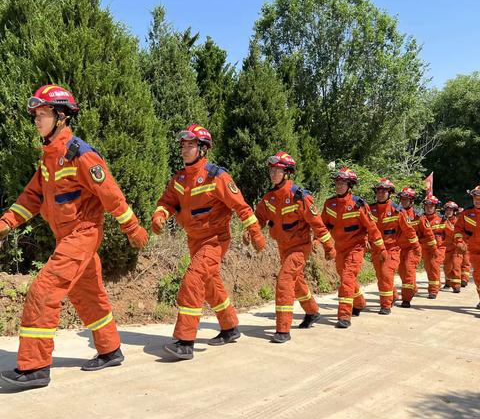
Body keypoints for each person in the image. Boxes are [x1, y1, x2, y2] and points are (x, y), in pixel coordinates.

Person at [0, 85, 148, 389]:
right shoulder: (48, 158)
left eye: (43, 114)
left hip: (82, 235)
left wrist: (132, 228)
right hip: (66, 237)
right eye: (36, 115)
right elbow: (30, 197)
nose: (37, 120)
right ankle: (110, 350)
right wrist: (5, 223)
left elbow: (111, 195)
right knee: (87, 296)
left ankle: (35, 367)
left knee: (43, 290)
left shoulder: (80, 154)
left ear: (62, 116)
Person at [151, 124, 265, 359]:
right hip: (194, 240)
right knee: (211, 285)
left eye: (190, 145)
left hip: (215, 241)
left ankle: (185, 341)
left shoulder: (217, 176)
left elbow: (240, 206)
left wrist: (254, 230)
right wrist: (160, 214)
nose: (184, 150)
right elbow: (168, 201)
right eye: (183, 145)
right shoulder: (180, 178)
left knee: (193, 280)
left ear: (203, 149)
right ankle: (230, 327)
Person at [254, 152, 336, 343]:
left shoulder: (299, 197)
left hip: (300, 247)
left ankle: (283, 329)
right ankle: (312, 311)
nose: (273, 174)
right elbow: (259, 218)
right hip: (283, 246)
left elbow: (318, 224)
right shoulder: (269, 198)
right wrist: (252, 230)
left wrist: (328, 246)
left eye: (278, 170)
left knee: (284, 281)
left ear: (287, 173)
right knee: (296, 282)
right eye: (272, 170)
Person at [321, 168, 386, 328]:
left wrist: (381, 248)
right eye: (337, 183)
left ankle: (344, 316)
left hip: (356, 248)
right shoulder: (330, 204)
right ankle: (359, 303)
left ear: (350, 185)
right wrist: (319, 243)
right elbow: (323, 226)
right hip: (339, 249)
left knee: (347, 279)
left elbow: (372, 228)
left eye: (343, 183)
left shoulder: (358, 205)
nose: (339, 186)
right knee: (346, 279)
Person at [369, 179, 420, 315]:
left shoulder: (397, 211)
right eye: (378, 191)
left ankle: (385, 305)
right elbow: (364, 227)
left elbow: (409, 230)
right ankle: (392, 296)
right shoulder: (370, 209)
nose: (380, 194)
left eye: (384, 191)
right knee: (381, 277)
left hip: (392, 250)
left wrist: (416, 247)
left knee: (386, 274)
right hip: (376, 250)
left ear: (389, 193)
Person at [397, 188, 436, 307]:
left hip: (413, 248)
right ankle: (412, 289)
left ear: (412, 201)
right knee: (402, 272)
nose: (403, 202)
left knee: (409, 270)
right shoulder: (396, 212)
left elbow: (428, 233)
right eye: (402, 199)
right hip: (398, 248)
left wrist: (433, 249)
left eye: (406, 199)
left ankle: (406, 299)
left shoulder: (418, 215)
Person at [454, 186, 480, 309]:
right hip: (475, 251)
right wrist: (459, 241)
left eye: (479, 198)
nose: (477, 200)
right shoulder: (467, 213)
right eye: (475, 198)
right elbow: (458, 229)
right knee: (478, 276)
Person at [421, 195, 445, 299]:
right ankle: (436, 284)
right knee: (428, 268)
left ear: (435, 207)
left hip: (439, 248)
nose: (429, 208)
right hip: (426, 248)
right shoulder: (421, 219)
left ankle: (433, 290)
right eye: (426, 206)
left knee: (434, 266)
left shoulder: (441, 220)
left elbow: (451, 233)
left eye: (431, 206)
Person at [443, 201, 462, 293]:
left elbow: (454, 232)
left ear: (454, 211)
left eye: (450, 210)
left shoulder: (458, 221)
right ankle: (448, 282)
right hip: (446, 247)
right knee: (447, 267)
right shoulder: (441, 220)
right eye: (447, 210)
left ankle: (456, 286)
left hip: (456, 248)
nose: (448, 212)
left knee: (456, 265)